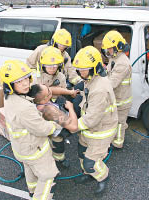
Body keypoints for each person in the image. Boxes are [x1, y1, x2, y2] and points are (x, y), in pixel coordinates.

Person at [0, 60, 60, 200]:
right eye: (20, 81)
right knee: (48, 176)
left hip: (22, 149)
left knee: (30, 169)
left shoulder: (9, 97)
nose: (26, 83)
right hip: (35, 150)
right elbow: (42, 128)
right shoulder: (23, 107)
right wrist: (56, 127)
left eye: (26, 78)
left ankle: (32, 190)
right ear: (10, 85)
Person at [72, 46, 118, 194]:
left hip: (100, 131)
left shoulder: (100, 88)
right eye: (79, 69)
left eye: (84, 69)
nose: (80, 73)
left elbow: (91, 119)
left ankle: (102, 177)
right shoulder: (91, 79)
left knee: (90, 162)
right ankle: (88, 174)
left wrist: (71, 126)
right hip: (89, 129)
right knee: (81, 151)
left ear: (95, 67)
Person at [31, 46, 79, 168]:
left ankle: (59, 158)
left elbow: (59, 92)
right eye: (49, 65)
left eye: (55, 65)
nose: (52, 68)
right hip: (38, 110)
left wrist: (63, 100)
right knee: (40, 138)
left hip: (53, 104)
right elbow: (43, 92)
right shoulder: (35, 76)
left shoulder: (61, 77)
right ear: (42, 65)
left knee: (58, 137)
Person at [101, 30, 132, 149]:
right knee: (114, 121)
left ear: (118, 47)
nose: (107, 51)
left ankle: (118, 143)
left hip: (122, 100)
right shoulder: (115, 57)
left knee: (120, 123)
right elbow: (109, 72)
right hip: (116, 98)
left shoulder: (123, 62)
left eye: (109, 48)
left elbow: (112, 83)